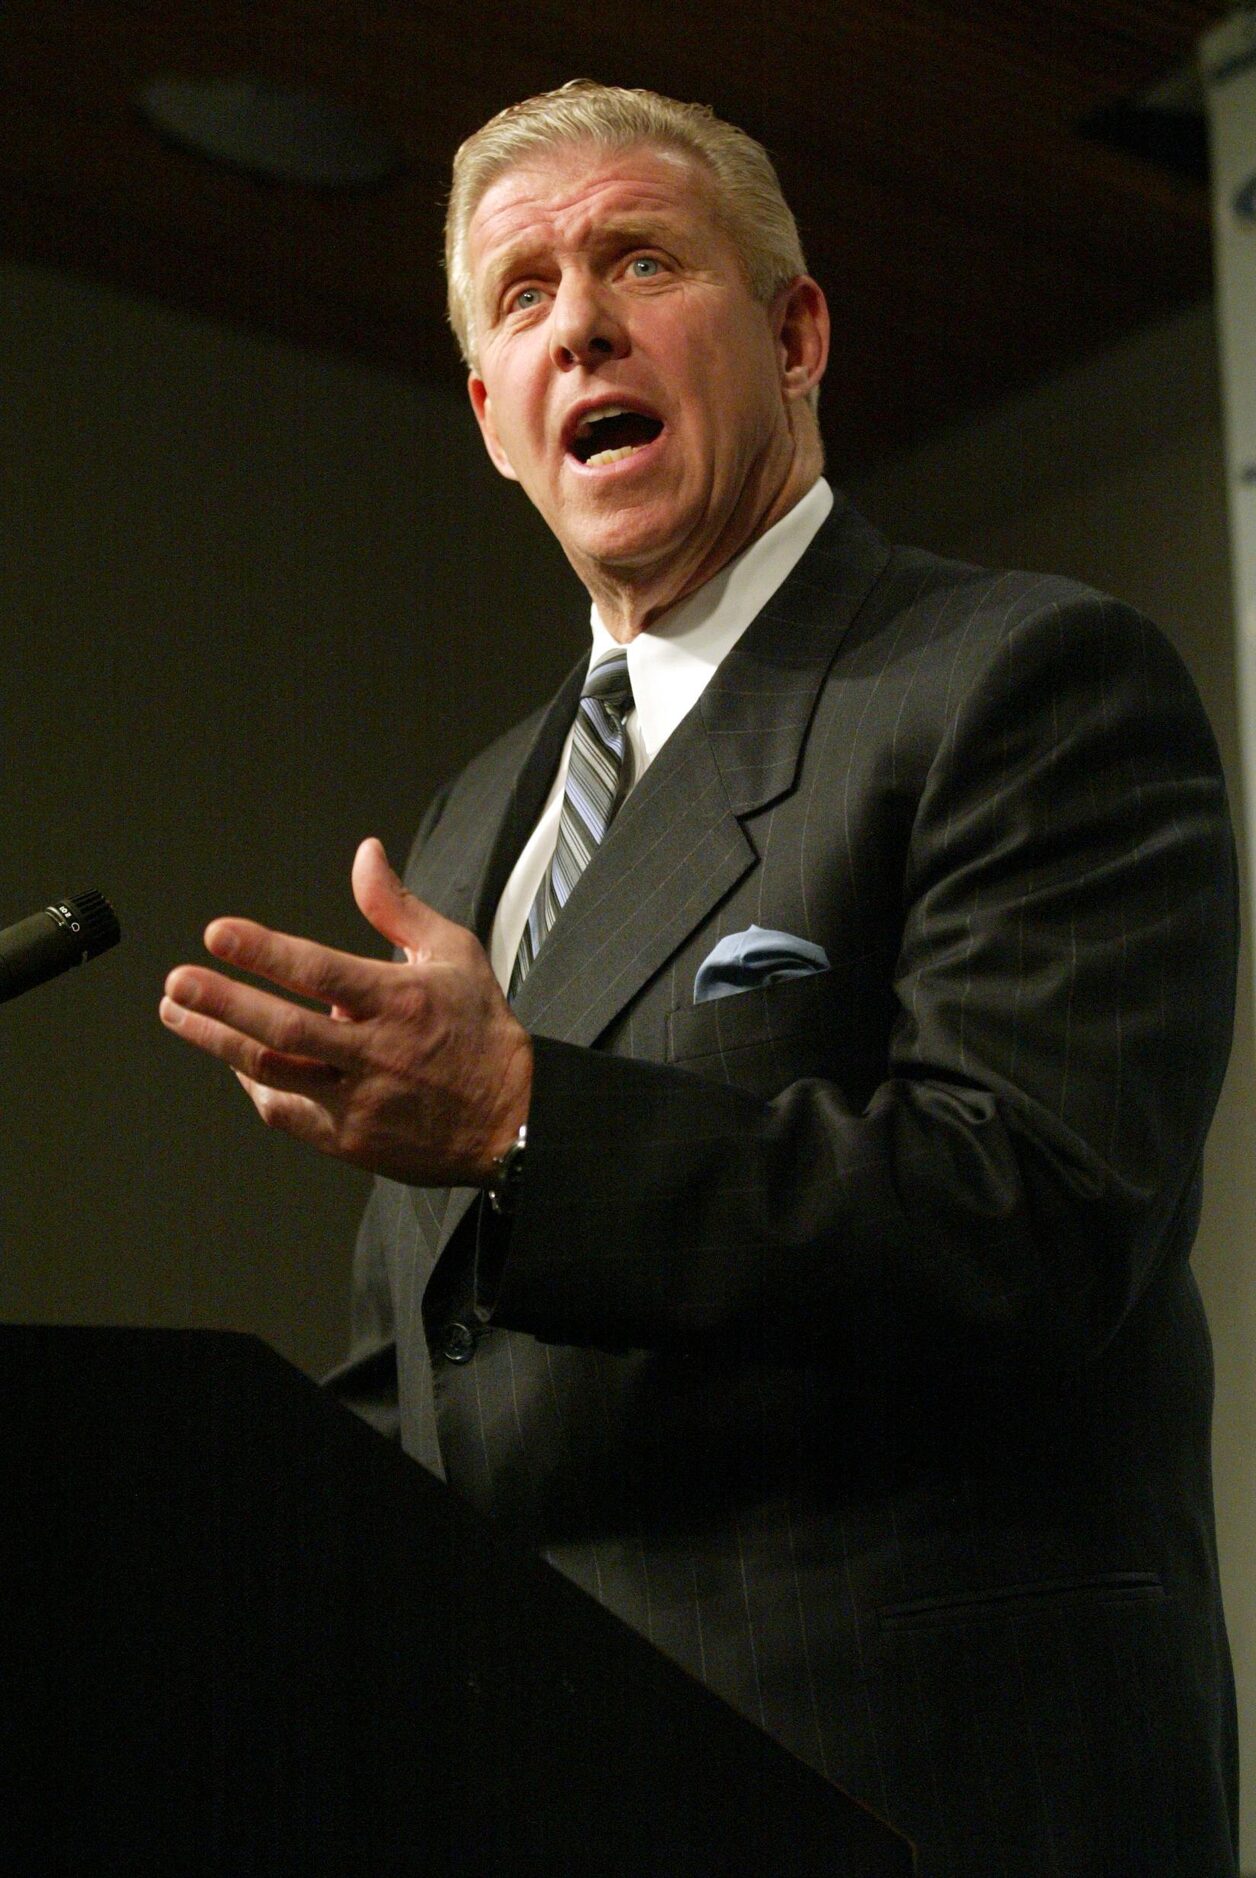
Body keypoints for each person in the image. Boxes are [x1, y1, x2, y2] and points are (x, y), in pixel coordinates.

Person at [161, 81, 1239, 1874]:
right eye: (519, 298)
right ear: (495, 417)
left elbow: (1033, 1217)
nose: (576, 316)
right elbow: (433, 1369)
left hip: (897, 1788)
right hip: (535, 1784)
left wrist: (521, 1117)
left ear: (797, 332)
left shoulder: (1021, 682)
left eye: (640, 259)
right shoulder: (468, 824)